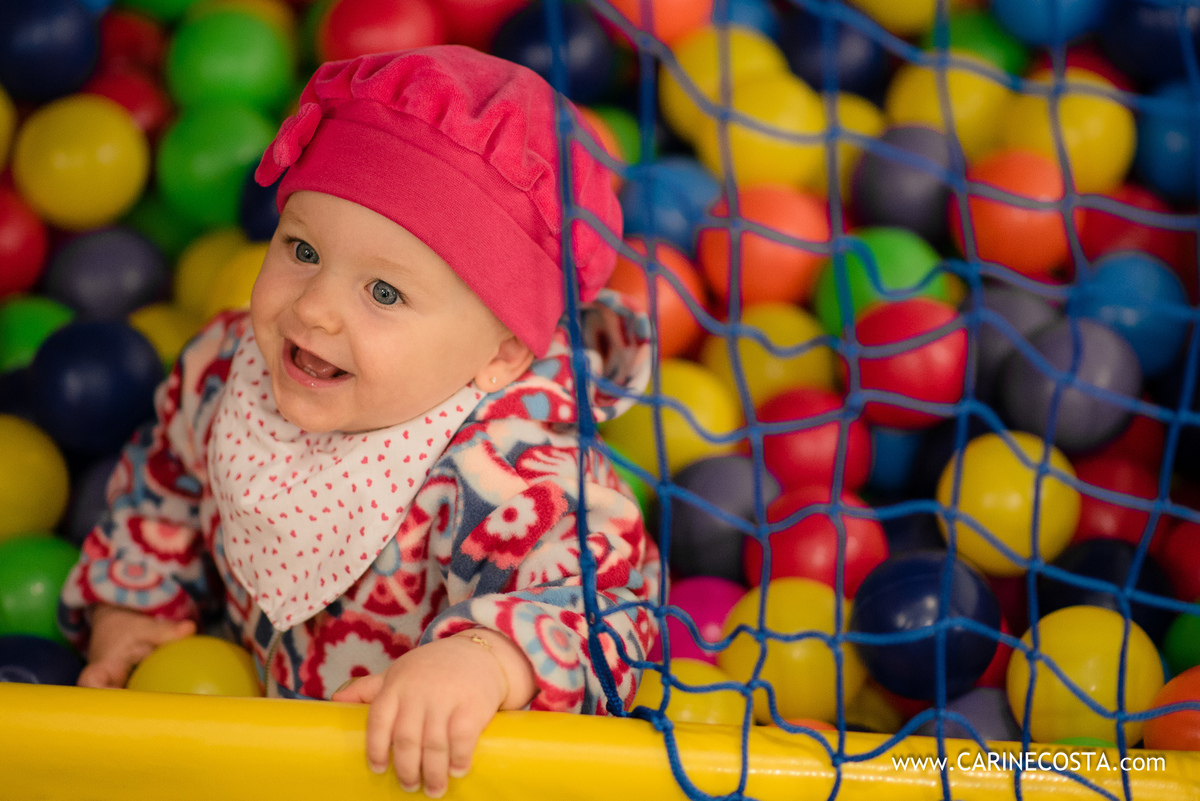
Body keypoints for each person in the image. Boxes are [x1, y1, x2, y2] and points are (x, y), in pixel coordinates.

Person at [58, 46, 659, 799]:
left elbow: (605, 606)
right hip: (248, 741)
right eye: (302, 249)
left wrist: (485, 660)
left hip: (415, 774)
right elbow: (166, 477)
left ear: (504, 350)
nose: (314, 308)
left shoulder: (515, 465)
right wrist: (135, 601)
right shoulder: (226, 365)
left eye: (383, 292)